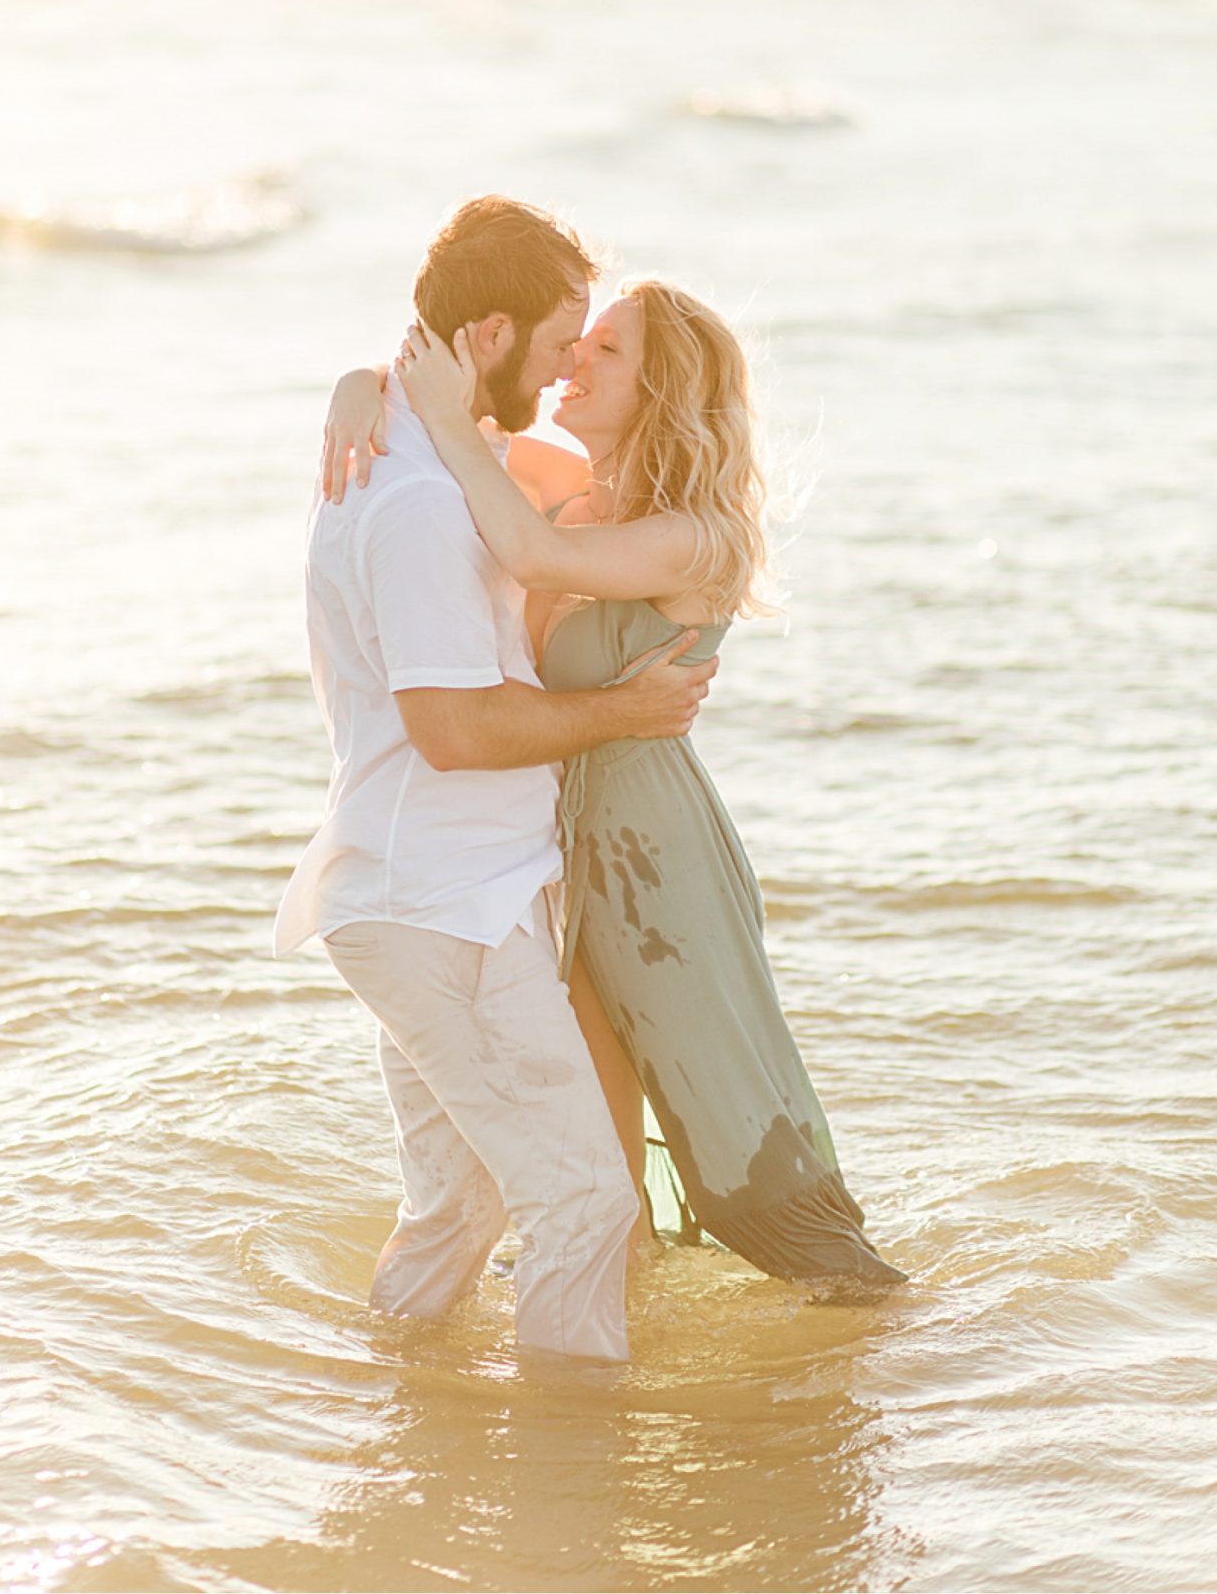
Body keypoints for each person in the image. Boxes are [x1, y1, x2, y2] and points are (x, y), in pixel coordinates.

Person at [325, 276, 907, 1289]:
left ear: (662, 389)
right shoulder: (572, 482)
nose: (573, 365)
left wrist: (448, 424)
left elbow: (526, 542)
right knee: (605, 1123)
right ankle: (610, 1338)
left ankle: (873, 1317)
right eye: (575, 344)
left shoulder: (697, 533)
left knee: (721, 1109)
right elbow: (453, 435)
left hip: (654, 844)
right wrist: (358, 386)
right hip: (567, 841)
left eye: (606, 353)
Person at [273, 195, 721, 1365]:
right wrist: (622, 711)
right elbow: (453, 731)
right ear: (486, 339)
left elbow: (567, 469)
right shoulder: (419, 502)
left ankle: (405, 1442)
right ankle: (570, 1496)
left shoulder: (422, 457)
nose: (575, 356)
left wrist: (361, 376)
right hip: (443, 905)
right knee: (584, 1205)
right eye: (564, 331)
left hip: (426, 893)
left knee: (460, 1207)